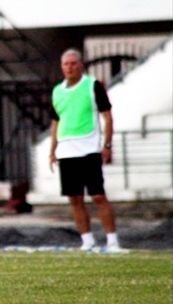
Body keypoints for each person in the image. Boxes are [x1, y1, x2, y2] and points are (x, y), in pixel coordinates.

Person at [49, 48, 126, 253]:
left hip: (89, 148)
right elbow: (55, 122)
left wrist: (107, 145)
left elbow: (107, 116)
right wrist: (52, 150)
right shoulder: (57, 91)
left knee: (98, 195)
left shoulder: (92, 86)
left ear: (81, 65)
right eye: (66, 64)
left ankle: (112, 241)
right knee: (74, 198)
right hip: (67, 151)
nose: (70, 67)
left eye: (73, 63)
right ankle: (87, 241)